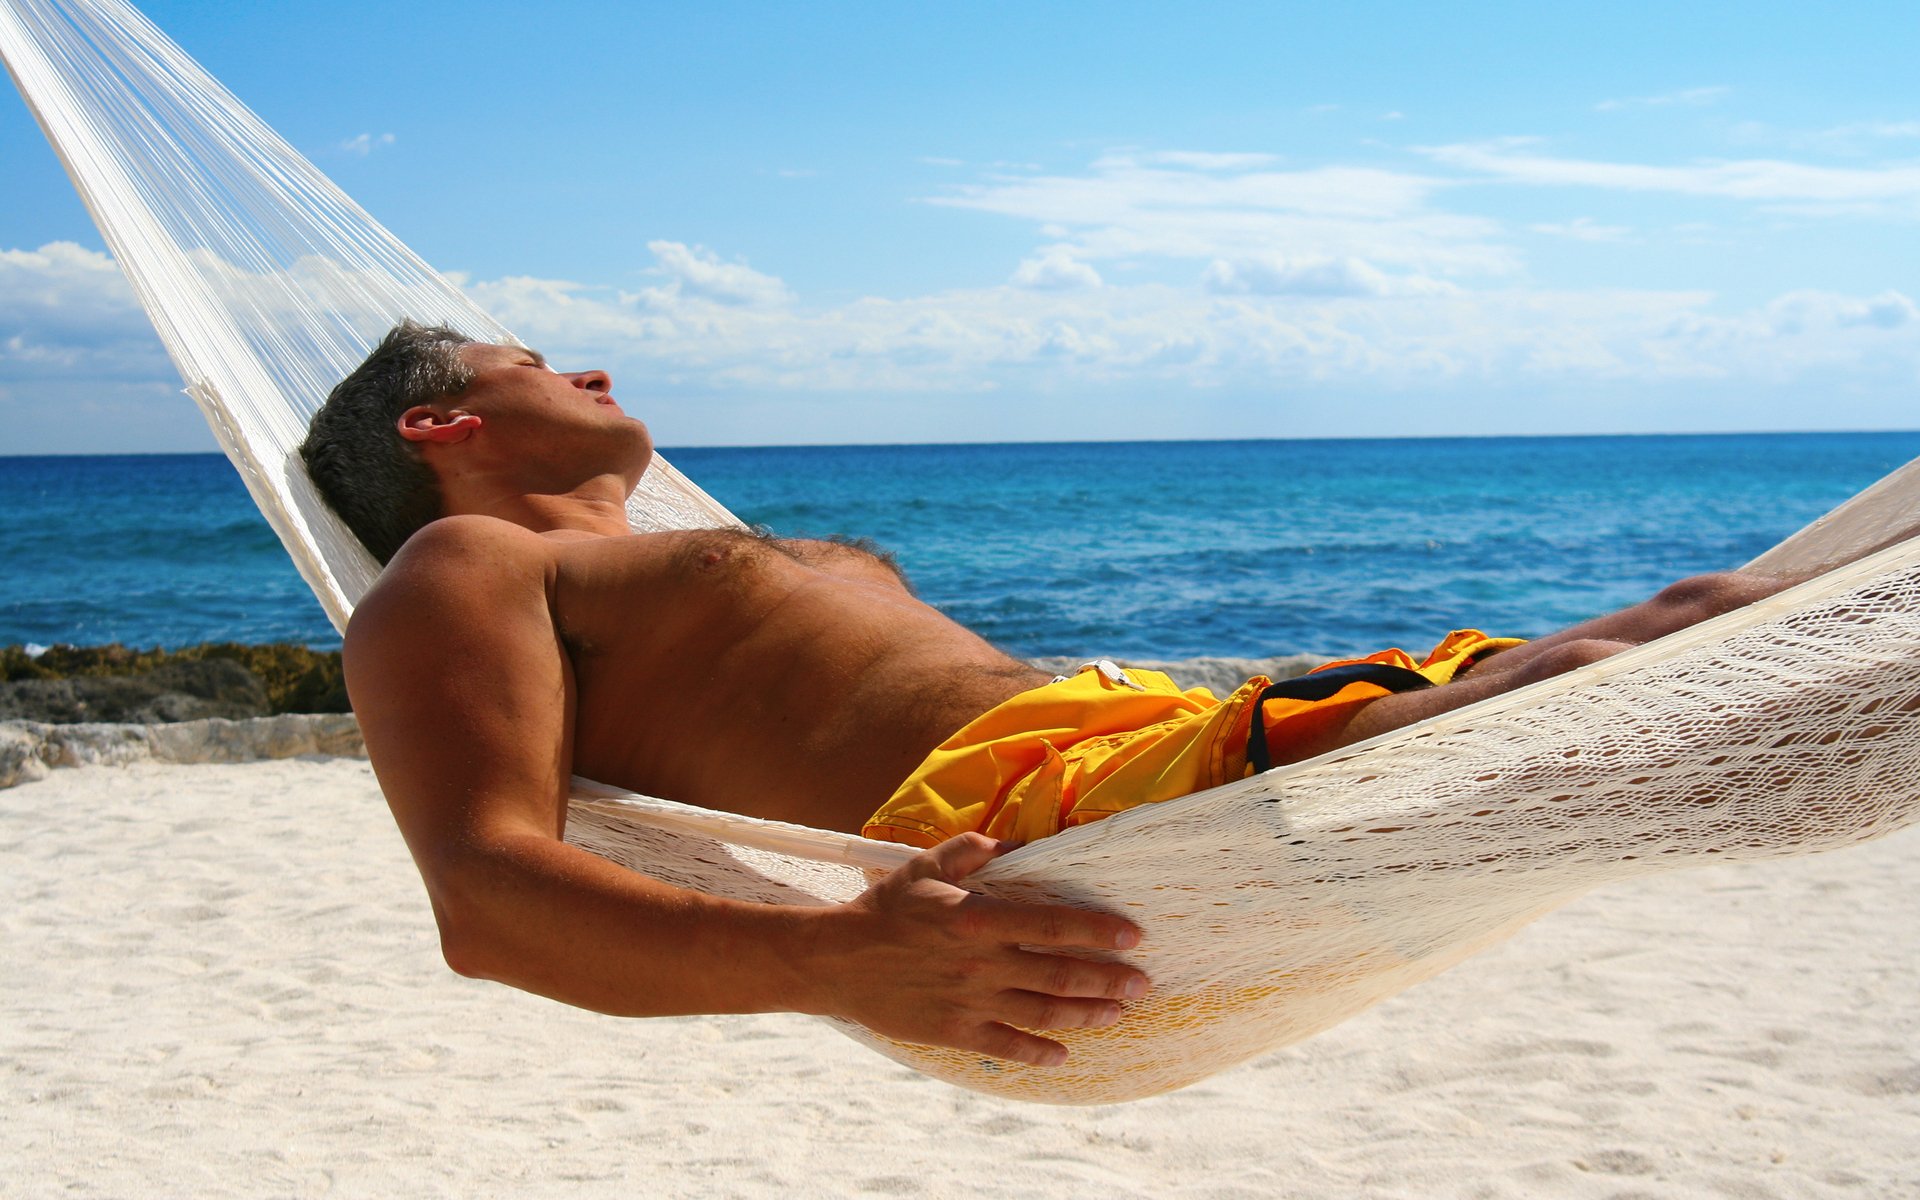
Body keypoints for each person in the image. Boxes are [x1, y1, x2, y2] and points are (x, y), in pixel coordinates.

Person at [300, 321, 1856, 1068]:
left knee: (1704, 618)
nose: (589, 371)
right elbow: (487, 899)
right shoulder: (466, 568)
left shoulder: (659, 554)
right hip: (1062, 828)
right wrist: (839, 963)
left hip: (1169, 747)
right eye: (533, 362)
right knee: (1608, 686)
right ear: (441, 425)